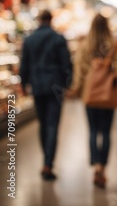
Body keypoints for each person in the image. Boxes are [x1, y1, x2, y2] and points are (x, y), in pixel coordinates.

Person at [68, 14, 117, 188]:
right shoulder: (113, 45)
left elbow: (79, 70)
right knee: (106, 132)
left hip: (90, 94)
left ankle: (96, 166)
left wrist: (77, 88)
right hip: (108, 95)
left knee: (93, 130)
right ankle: (103, 168)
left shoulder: (85, 46)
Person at [20, 10, 73, 180]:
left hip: (37, 87)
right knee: (52, 125)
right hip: (55, 87)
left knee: (43, 124)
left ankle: (46, 160)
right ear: (50, 20)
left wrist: (23, 84)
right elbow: (66, 63)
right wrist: (67, 83)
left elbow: (24, 65)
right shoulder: (58, 38)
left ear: (39, 20)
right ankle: (48, 163)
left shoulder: (29, 40)